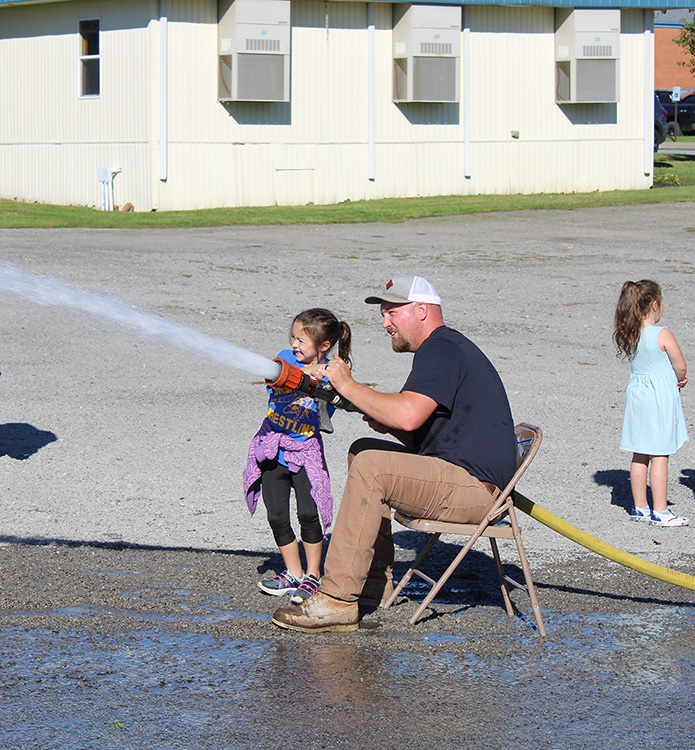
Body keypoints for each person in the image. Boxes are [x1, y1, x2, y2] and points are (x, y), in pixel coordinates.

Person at [271, 275, 518, 633]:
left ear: (421, 311)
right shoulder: (446, 348)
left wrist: (349, 385)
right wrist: (378, 417)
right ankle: (374, 581)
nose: (385, 322)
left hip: (477, 491)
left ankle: (337, 598)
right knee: (364, 450)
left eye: (392, 313)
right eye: (383, 314)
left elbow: (407, 413)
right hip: (462, 477)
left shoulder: (441, 348)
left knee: (373, 466)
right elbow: (413, 423)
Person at [243, 308, 353, 603]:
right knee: (276, 514)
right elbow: (277, 376)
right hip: (273, 448)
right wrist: (307, 373)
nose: (295, 344)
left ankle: (312, 575)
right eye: (293, 337)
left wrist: (333, 384)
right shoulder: (284, 358)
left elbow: (349, 397)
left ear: (324, 346)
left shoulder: (335, 371)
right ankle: (293, 573)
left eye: (302, 341)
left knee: (308, 513)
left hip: (305, 453)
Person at [613, 280, 689, 527]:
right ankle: (661, 510)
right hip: (659, 398)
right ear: (655, 305)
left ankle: (640, 507)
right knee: (659, 454)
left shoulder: (630, 332)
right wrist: (680, 379)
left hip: (637, 396)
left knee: (640, 452)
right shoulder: (662, 333)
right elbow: (680, 365)